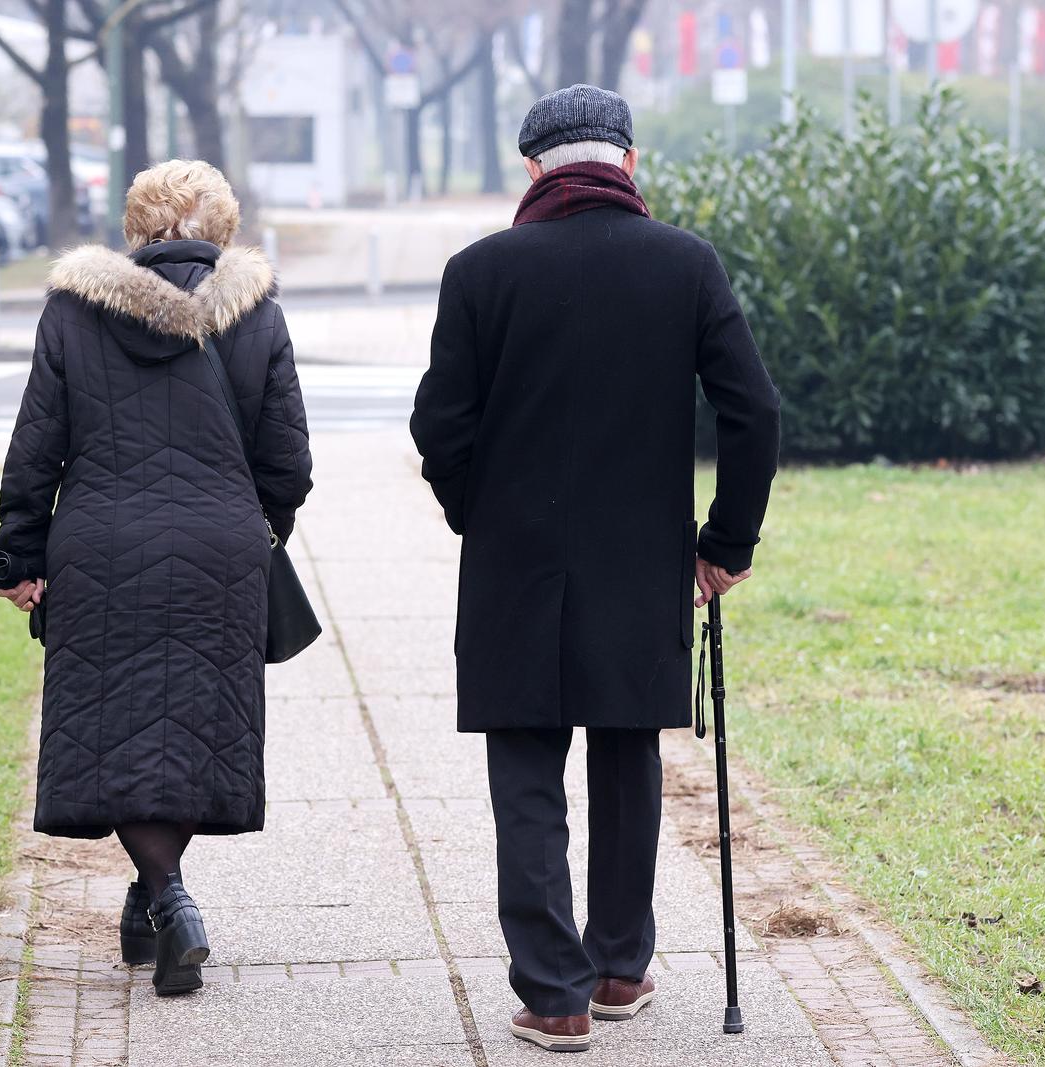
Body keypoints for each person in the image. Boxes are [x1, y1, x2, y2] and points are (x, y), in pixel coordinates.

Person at [410, 85, 780, 1053]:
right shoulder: (684, 265)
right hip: (641, 559)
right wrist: (722, 544)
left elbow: (437, 427)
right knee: (626, 755)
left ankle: (555, 990)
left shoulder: (479, 272)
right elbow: (755, 412)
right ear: (629, 162)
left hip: (514, 565)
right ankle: (620, 965)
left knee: (525, 763)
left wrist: (475, 513)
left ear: (532, 169)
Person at [0, 159, 312, 997]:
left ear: (137, 227)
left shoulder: (73, 309)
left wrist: (20, 556)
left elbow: (36, 447)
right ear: (222, 228)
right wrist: (261, 524)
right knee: (196, 724)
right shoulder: (257, 311)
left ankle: (161, 895)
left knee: (122, 724)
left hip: (101, 546)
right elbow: (289, 459)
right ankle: (159, 897)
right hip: (220, 547)